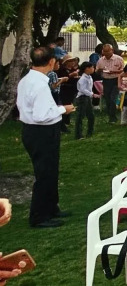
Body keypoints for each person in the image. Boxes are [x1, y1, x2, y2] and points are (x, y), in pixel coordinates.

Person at [16, 46, 75, 228]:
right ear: (51, 62)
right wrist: (63, 109)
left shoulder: (27, 80)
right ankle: (39, 216)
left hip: (35, 130)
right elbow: (41, 115)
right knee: (44, 173)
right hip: (41, 132)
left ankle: (51, 207)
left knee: (51, 170)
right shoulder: (39, 85)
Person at [95, 44, 124, 123]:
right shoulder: (100, 60)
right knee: (107, 98)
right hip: (106, 80)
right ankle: (110, 115)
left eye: (108, 51)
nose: (106, 53)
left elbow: (123, 70)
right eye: (104, 51)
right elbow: (96, 71)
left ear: (112, 51)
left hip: (116, 80)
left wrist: (114, 71)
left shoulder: (118, 59)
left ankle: (112, 117)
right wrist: (99, 70)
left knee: (113, 98)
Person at [56, 54, 80, 133]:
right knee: (65, 105)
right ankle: (63, 124)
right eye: (70, 61)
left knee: (70, 104)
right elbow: (62, 79)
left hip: (72, 90)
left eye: (73, 61)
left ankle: (67, 121)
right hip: (65, 90)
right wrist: (70, 76)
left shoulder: (73, 69)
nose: (72, 62)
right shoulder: (62, 70)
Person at [75, 62, 98, 139]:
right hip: (82, 98)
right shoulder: (83, 78)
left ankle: (90, 132)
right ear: (87, 69)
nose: (93, 69)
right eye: (92, 67)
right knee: (80, 116)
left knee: (91, 115)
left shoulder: (89, 77)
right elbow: (82, 89)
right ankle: (78, 135)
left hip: (87, 97)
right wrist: (92, 94)